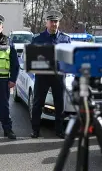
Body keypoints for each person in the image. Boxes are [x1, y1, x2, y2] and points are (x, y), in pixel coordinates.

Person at [30, 10, 71, 139]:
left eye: (56, 22)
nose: (54, 24)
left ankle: (59, 130)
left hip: (59, 76)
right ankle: (35, 130)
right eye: (51, 21)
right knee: (38, 104)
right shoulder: (38, 39)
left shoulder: (65, 39)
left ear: (58, 23)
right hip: (42, 76)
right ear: (46, 23)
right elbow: (32, 58)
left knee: (59, 104)